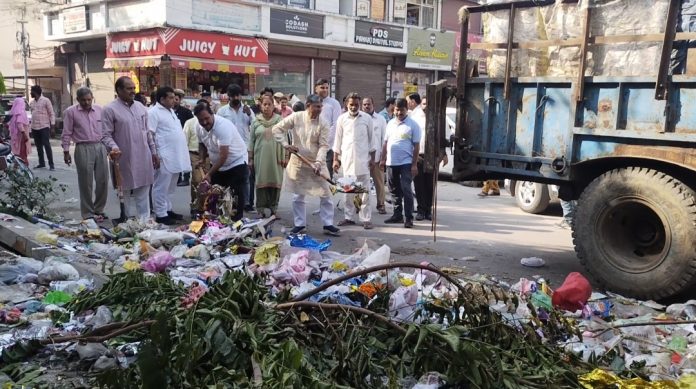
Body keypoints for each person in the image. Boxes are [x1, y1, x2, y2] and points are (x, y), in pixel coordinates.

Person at [272, 94, 340, 236]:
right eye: (317, 106)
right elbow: (277, 129)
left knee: (326, 194)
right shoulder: (297, 117)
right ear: (308, 105)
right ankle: (299, 224)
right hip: (298, 161)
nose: (320, 109)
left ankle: (328, 224)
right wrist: (286, 144)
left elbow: (323, 146)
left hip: (316, 162)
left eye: (321, 107)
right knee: (298, 195)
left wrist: (318, 162)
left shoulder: (323, 122)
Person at [101, 76, 160, 221]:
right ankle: (126, 221)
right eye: (129, 88)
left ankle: (144, 222)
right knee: (124, 190)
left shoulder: (141, 107)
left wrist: (154, 152)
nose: (133, 91)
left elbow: (147, 133)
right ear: (119, 90)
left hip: (143, 155)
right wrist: (114, 148)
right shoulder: (109, 109)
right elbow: (105, 135)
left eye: (134, 88)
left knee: (143, 190)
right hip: (123, 156)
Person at [194, 102, 249, 221]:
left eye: (206, 118)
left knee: (234, 198)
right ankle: (217, 224)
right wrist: (202, 159)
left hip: (236, 162)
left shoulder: (222, 127)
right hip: (218, 164)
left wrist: (209, 174)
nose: (204, 122)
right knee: (215, 196)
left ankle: (236, 223)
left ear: (212, 114)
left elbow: (224, 156)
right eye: (201, 120)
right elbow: (201, 143)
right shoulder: (198, 127)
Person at [62, 87, 110, 221]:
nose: (87, 103)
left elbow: (106, 129)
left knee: (103, 180)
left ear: (92, 98)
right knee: (85, 182)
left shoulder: (100, 110)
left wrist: (109, 148)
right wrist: (66, 152)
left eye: (89, 100)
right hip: (83, 147)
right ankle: (88, 213)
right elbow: (66, 133)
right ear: (78, 100)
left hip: (100, 146)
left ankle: (99, 209)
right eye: (83, 100)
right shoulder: (71, 112)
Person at [149, 86, 192, 225]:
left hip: (175, 155)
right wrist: (155, 154)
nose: (174, 100)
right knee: (161, 185)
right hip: (164, 155)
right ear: (162, 99)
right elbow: (150, 134)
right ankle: (161, 214)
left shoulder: (171, 111)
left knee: (171, 186)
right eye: (171, 97)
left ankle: (168, 209)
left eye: (174, 97)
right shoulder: (154, 112)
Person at [333, 93, 376, 230]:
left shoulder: (367, 118)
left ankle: (366, 219)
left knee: (364, 193)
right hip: (347, 162)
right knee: (348, 192)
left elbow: (372, 141)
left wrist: (373, 160)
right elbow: (337, 141)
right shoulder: (341, 119)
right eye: (351, 104)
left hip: (363, 161)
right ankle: (349, 217)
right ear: (347, 104)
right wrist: (335, 160)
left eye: (356, 105)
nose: (354, 107)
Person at [380, 98, 421, 228]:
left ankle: (408, 218)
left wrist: (414, 165)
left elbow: (416, 146)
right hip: (391, 162)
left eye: (401, 110)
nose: (399, 113)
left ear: (406, 110)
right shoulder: (390, 123)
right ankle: (397, 215)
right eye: (397, 110)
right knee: (393, 190)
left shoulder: (413, 125)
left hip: (406, 163)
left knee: (406, 189)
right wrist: (382, 159)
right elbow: (386, 143)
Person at [218, 84, 254, 212]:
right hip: (228, 147)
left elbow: (255, 126)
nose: (236, 98)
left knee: (245, 176)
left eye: (238, 95)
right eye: (233, 95)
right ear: (229, 96)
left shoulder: (247, 109)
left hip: (244, 146)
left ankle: (247, 203)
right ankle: (229, 202)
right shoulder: (222, 111)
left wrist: (250, 115)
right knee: (230, 176)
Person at [248, 95, 285, 217]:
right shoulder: (256, 121)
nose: (267, 107)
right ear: (260, 106)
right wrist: (251, 159)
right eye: (264, 104)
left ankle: (274, 209)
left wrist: (286, 156)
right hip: (260, 157)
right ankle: (261, 209)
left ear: (274, 106)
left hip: (276, 157)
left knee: (275, 182)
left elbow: (286, 139)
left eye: (269, 104)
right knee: (261, 182)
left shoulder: (280, 121)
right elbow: (251, 141)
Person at [362, 96, 388, 215]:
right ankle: (358, 205)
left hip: (377, 158)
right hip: (362, 158)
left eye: (369, 104)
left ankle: (381, 204)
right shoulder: (359, 119)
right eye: (365, 105)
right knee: (359, 184)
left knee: (379, 183)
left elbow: (384, 140)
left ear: (373, 105)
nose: (367, 106)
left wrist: (383, 158)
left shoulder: (380, 119)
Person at [182, 100, 207, 217]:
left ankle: (206, 206)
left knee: (208, 182)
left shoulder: (211, 121)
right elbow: (184, 140)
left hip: (208, 155)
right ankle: (195, 206)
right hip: (194, 154)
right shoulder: (190, 123)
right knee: (197, 181)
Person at [314, 78, 342, 180]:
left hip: (327, 146)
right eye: (322, 87)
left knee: (326, 177)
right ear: (316, 88)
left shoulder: (334, 103)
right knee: (309, 177)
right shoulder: (311, 102)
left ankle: (328, 195)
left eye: (327, 88)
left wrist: (325, 143)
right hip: (312, 145)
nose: (325, 90)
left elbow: (335, 125)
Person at [29, 85, 56, 170]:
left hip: (44, 126)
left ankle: (51, 164)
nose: (30, 93)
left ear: (36, 92)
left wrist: (52, 127)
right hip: (34, 127)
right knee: (38, 146)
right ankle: (42, 163)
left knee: (46, 145)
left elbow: (51, 113)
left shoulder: (46, 100)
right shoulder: (32, 102)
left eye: (31, 91)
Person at [174, 89, 194, 187]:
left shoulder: (186, 112)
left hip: (184, 138)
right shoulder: (168, 111)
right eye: (173, 99)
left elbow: (191, 124)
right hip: (173, 140)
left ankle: (186, 178)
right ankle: (177, 178)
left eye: (176, 99)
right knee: (176, 159)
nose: (174, 101)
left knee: (186, 158)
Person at [8, 97, 31, 165]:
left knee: (18, 152)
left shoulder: (14, 113)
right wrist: (24, 134)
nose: (24, 104)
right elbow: (19, 124)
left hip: (17, 136)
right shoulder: (20, 113)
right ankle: (23, 167)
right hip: (21, 136)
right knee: (22, 151)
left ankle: (18, 166)